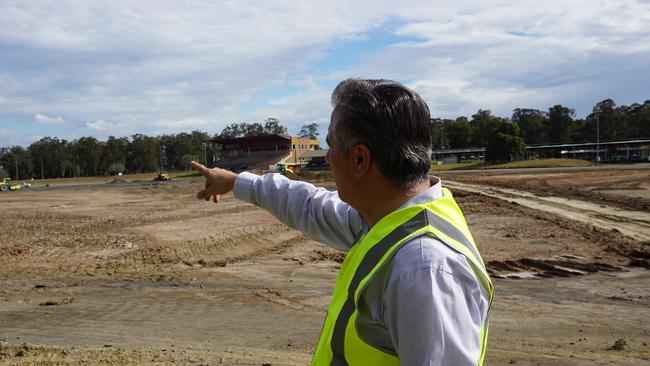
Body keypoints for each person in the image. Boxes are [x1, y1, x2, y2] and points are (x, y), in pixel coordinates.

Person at [191, 78, 493, 366]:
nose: (329, 157)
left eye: (331, 145)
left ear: (360, 160)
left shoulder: (423, 269)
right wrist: (235, 182)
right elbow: (310, 205)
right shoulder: (386, 218)